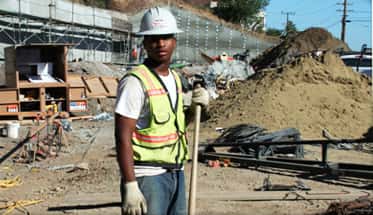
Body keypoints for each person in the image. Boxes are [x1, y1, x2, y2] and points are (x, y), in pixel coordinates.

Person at [115, 7, 209, 215]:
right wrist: (130, 184)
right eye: (154, 38)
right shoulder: (134, 82)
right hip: (147, 176)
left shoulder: (175, 79)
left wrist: (194, 109)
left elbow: (176, 126)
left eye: (166, 37)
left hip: (176, 172)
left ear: (175, 40)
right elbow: (122, 137)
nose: (160, 44)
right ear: (145, 43)